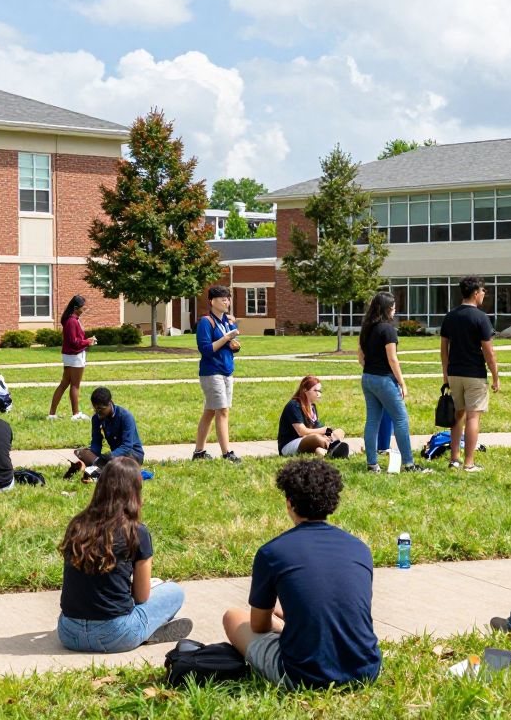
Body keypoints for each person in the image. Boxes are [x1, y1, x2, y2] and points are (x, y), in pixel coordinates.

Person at [223, 458, 382, 689]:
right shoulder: (360, 548)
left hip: (304, 675)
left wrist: (280, 623)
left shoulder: (272, 552)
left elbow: (258, 626)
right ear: (333, 503)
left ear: (289, 503)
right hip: (366, 669)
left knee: (233, 616)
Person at [58, 457, 192, 653]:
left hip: (68, 633)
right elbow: (142, 597)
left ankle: (144, 631)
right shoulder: (136, 531)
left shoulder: (77, 525)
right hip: (114, 634)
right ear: (134, 491)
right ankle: (145, 631)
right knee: (173, 592)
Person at [357, 291, 429, 473]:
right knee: (401, 419)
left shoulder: (366, 328)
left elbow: (360, 358)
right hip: (384, 379)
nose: (395, 310)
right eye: (394, 306)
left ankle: (372, 464)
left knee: (372, 421)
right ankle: (409, 464)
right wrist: (402, 383)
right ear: (387, 309)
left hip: (367, 378)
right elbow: (393, 359)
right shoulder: (388, 330)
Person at [440, 277, 500, 472]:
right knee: (473, 417)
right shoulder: (481, 318)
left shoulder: (450, 316)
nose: (484, 294)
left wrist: (446, 374)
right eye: (483, 291)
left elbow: (443, 348)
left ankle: (454, 459)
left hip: (454, 373)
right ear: (475, 293)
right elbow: (488, 352)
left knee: (458, 416)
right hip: (474, 373)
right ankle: (469, 463)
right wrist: (495, 376)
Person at [193, 285, 241, 463]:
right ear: (212, 301)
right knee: (222, 411)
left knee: (210, 412)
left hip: (227, 370)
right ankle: (227, 453)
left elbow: (227, 345)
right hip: (212, 372)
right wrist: (226, 338)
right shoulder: (206, 322)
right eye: (223, 299)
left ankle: (199, 452)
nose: (226, 302)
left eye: (228, 298)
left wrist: (234, 344)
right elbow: (205, 349)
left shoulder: (227, 322)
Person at [49, 295, 97, 421]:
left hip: (71, 355)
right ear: (76, 308)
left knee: (64, 384)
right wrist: (88, 342)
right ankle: (76, 414)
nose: (84, 309)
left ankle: (52, 414)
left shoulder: (73, 320)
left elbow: (75, 340)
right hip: (74, 356)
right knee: (74, 385)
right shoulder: (72, 321)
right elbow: (74, 342)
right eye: (82, 307)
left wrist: (86, 341)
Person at [277, 376, 349, 458]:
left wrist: (328, 433)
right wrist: (324, 430)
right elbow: (302, 432)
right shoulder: (294, 405)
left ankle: (326, 452)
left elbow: (316, 427)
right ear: (304, 390)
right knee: (316, 438)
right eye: (315, 390)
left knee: (339, 431)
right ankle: (334, 448)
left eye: (320, 391)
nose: (318, 394)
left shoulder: (312, 407)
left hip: (306, 440)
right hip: (289, 444)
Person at [74, 387, 145, 467]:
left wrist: (108, 457)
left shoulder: (125, 416)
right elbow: (96, 442)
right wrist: (93, 453)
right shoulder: (96, 418)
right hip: (113, 457)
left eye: (101, 409)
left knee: (118, 462)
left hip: (132, 455)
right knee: (81, 453)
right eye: (95, 409)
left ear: (110, 403)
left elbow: (127, 446)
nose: (98, 412)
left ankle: (101, 467)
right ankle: (100, 466)